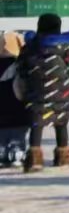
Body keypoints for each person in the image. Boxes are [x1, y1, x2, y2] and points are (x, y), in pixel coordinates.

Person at [12, 13, 69, 172]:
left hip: (36, 91)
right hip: (62, 92)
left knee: (36, 124)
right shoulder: (65, 46)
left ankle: (34, 159)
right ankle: (63, 156)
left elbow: (21, 66)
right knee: (61, 123)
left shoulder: (30, 46)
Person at [0, 32, 31, 167]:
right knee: (18, 133)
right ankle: (17, 154)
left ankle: (2, 154)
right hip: (18, 108)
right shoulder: (22, 64)